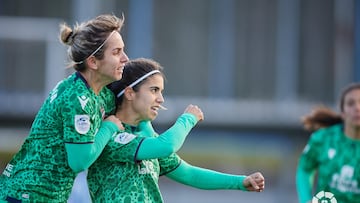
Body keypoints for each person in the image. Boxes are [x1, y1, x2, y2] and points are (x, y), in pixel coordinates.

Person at [87, 58, 265, 202]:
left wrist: (240, 182)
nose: (161, 99)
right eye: (154, 90)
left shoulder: (144, 137)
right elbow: (168, 145)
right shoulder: (112, 135)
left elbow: (188, 174)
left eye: (161, 92)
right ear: (130, 93)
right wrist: (188, 119)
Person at [0, 14, 128, 202]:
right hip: (26, 195)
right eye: (117, 52)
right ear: (93, 62)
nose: (125, 58)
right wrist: (108, 127)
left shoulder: (99, 93)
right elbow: (79, 161)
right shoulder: (76, 98)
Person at [296, 83, 360, 203]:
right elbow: (305, 169)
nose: (357, 108)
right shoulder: (323, 138)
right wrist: (305, 200)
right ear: (343, 112)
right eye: (351, 104)